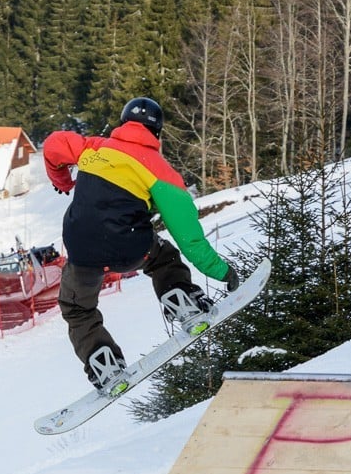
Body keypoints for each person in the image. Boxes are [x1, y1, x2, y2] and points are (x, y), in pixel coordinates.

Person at [43, 97, 239, 391]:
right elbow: (189, 238)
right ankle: (182, 302)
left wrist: (63, 181)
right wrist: (222, 272)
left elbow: (53, 144)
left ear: (122, 124)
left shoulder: (92, 147)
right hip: (130, 247)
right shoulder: (159, 170)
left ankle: (102, 360)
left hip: (82, 252)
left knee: (77, 309)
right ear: (157, 133)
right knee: (164, 258)